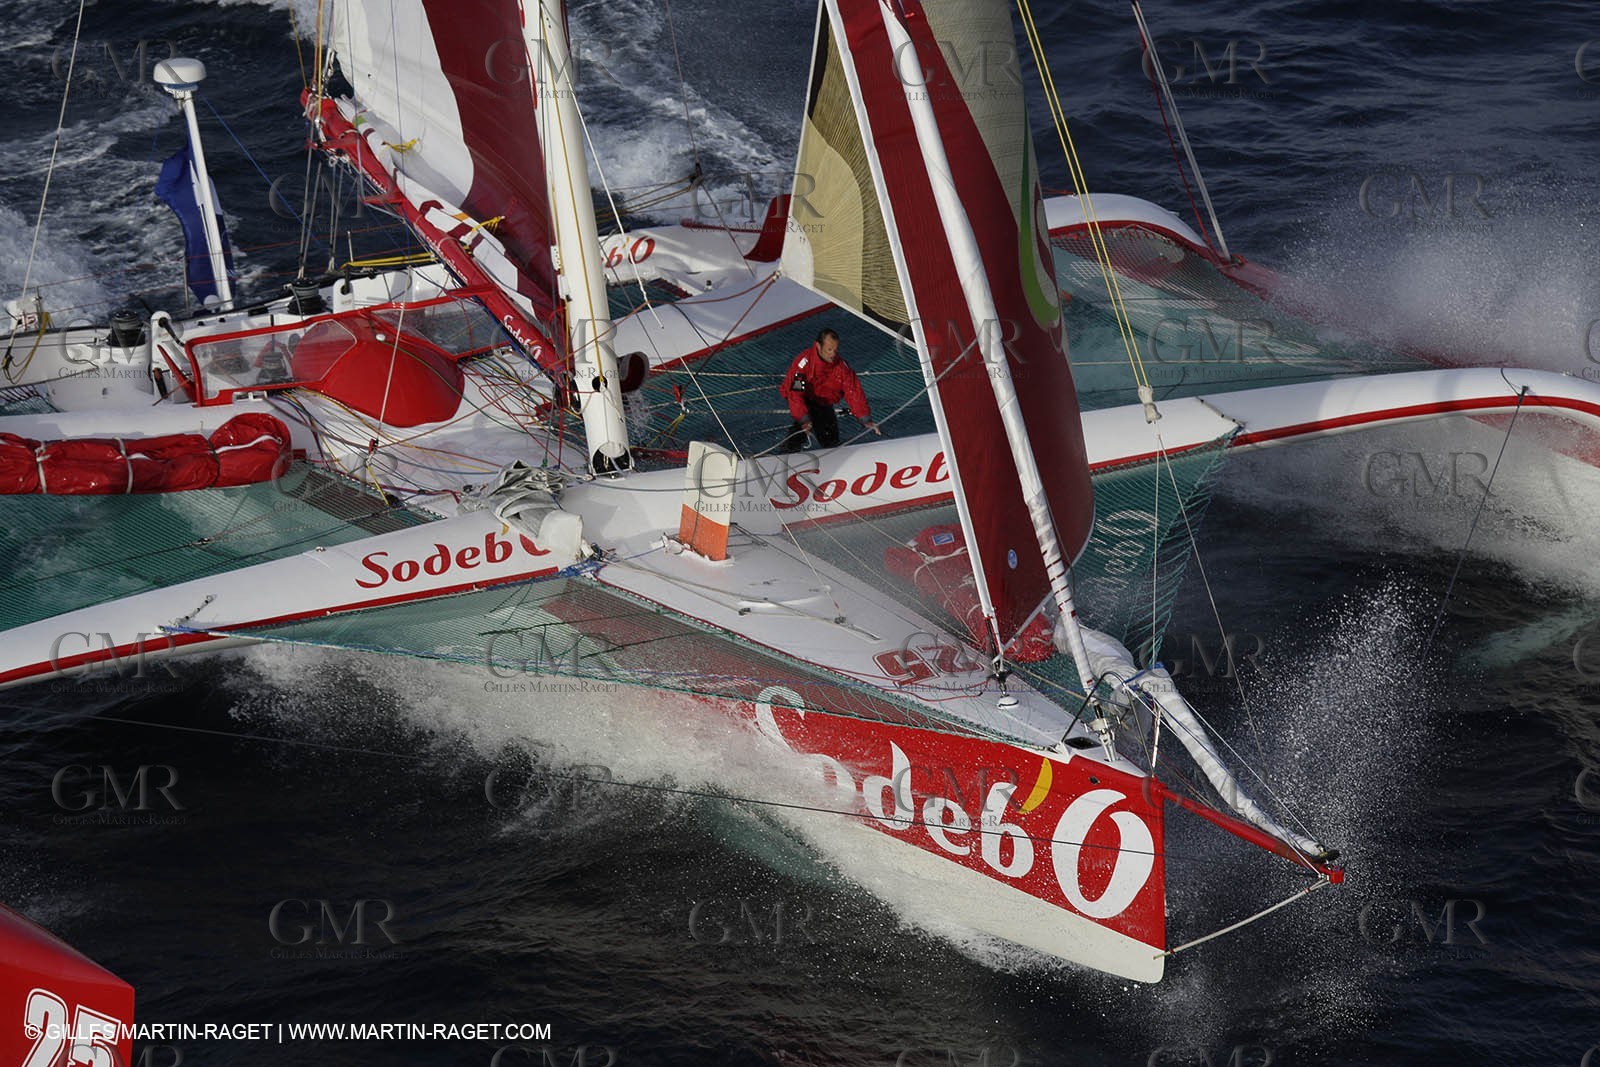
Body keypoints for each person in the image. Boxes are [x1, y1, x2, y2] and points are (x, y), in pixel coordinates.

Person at [779, 328, 880, 452]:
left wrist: (865, 419)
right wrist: (804, 419)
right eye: (829, 350)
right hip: (803, 397)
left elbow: (854, 392)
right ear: (818, 346)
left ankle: (832, 454)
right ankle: (787, 452)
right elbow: (795, 394)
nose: (833, 354)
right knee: (803, 423)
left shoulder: (842, 368)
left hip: (823, 402)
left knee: (830, 438)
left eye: (835, 350)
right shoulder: (803, 364)